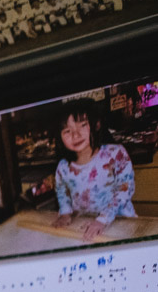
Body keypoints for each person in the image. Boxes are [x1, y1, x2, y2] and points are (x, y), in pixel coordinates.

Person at [51, 102, 137, 242]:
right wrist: (65, 212)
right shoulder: (63, 167)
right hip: (85, 227)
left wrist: (103, 219)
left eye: (82, 125)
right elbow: (62, 190)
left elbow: (125, 188)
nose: (75, 135)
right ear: (59, 137)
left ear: (96, 125)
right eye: (67, 131)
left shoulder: (115, 154)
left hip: (121, 223)